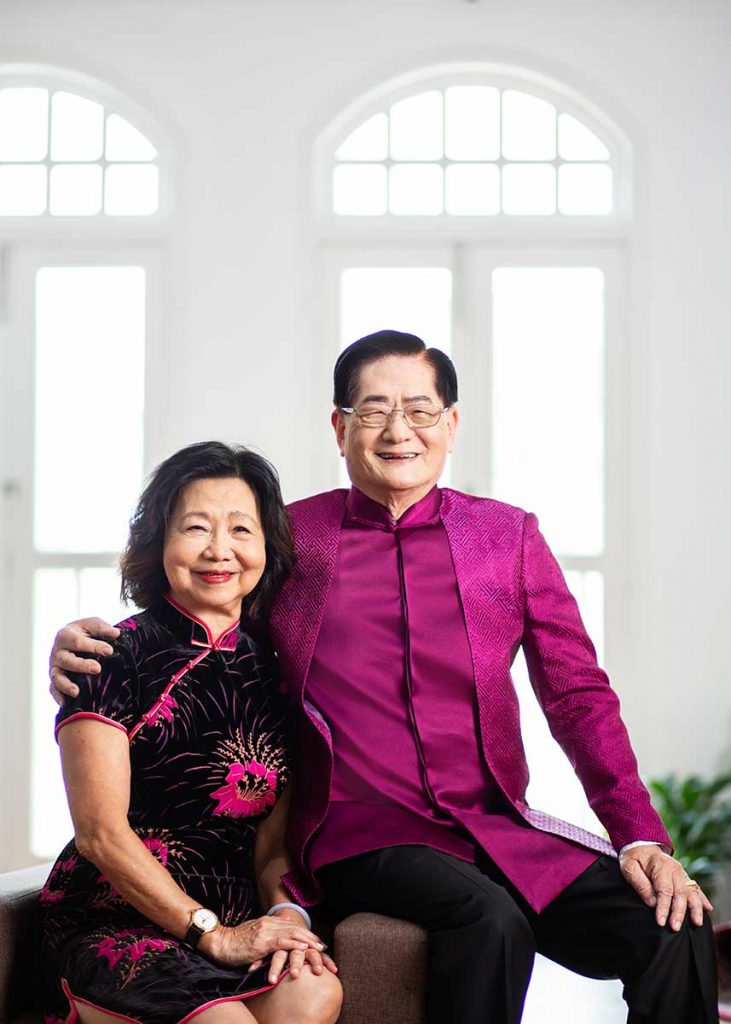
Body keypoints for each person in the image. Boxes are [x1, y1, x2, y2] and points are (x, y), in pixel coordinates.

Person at [51, 333, 718, 1024]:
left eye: (420, 411)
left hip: (491, 823)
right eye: (373, 411)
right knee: (488, 918)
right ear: (339, 428)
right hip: (356, 831)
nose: (398, 431)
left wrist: (639, 835)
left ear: (451, 424)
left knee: (675, 926)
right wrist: (81, 646)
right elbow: (201, 610)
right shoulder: (289, 538)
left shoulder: (508, 538)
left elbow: (577, 695)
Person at [41, 442, 342, 1024]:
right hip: (118, 920)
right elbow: (99, 833)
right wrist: (211, 934)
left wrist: (285, 917)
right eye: (196, 527)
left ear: (267, 546)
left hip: (232, 924)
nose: (218, 550)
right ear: (159, 543)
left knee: (314, 993)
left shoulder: (280, 674)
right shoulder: (107, 657)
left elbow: (270, 850)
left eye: (240, 530)